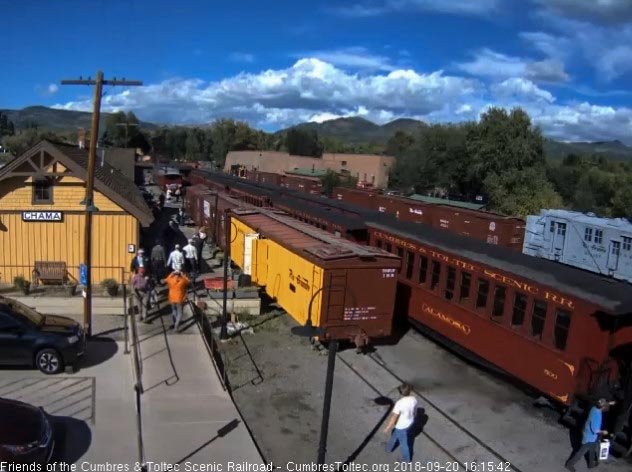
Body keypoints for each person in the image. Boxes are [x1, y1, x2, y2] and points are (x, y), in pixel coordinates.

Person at [566, 398, 615, 471]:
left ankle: (591, 464)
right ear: (602, 407)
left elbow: (602, 403)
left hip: (591, 436)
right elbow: (595, 430)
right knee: (580, 453)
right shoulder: (597, 416)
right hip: (589, 437)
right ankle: (569, 464)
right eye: (605, 406)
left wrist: (610, 403)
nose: (606, 408)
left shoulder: (594, 408)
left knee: (592, 450)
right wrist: (604, 432)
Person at [384, 383, 418, 463]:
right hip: (410, 422)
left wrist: (387, 428)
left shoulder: (399, 403)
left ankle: (406, 460)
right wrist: (413, 418)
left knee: (404, 444)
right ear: (410, 391)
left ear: (400, 392)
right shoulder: (414, 399)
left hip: (401, 425)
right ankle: (388, 448)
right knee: (395, 435)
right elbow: (415, 411)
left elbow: (394, 417)